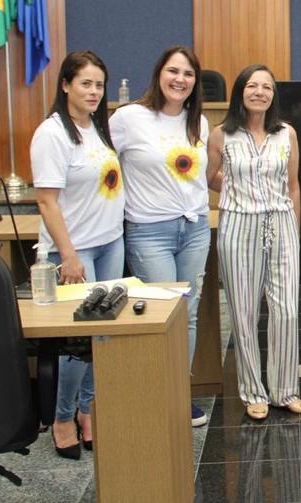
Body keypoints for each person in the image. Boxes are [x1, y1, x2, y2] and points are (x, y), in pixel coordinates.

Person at [30, 51, 125, 459]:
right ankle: (63, 417)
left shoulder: (97, 129)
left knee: (99, 339)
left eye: (99, 85)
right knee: (74, 345)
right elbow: (47, 202)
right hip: (76, 251)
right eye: (85, 83)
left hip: (109, 243)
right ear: (66, 84)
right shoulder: (52, 133)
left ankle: (89, 409)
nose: (93, 91)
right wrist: (68, 256)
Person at [110, 45, 211, 427]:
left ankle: (177, 395)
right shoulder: (129, 118)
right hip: (150, 232)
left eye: (188, 74)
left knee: (187, 315)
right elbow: (104, 161)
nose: (180, 80)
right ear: (158, 74)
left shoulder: (197, 122)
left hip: (194, 228)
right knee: (160, 314)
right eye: (173, 71)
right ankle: (153, 394)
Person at [207, 65, 301, 419]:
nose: (259, 92)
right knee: (244, 311)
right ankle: (253, 391)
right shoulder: (221, 135)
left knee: (286, 308)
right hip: (239, 226)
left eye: (266, 87)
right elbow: (210, 177)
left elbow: (294, 186)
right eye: (252, 86)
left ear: (273, 95)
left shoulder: (287, 134)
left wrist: (294, 229)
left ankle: (285, 391)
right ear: (240, 92)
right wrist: (239, 194)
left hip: (281, 223)